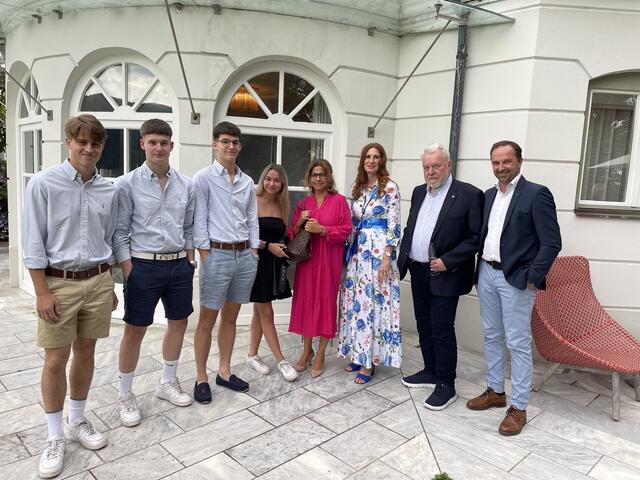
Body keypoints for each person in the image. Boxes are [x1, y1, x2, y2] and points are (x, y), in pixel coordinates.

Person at [22, 115, 118, 478]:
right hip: (58, 283)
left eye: (95, 143)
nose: (88, 149)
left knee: (87, 351)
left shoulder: (109, 190)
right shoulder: (43, 184)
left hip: (98, 280)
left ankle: (77, 419)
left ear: (102, 147)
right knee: (55, 359)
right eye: (82, 142)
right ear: (68, 143)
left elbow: (109, 238)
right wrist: (41, 291)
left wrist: (109, 284)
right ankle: (54, 435)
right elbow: (33, 242)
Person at [466, 140, 561, 435]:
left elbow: (551, 242)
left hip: (516, 279)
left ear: (519, 161)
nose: (501, 167)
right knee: (492, 334)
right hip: (487, 273)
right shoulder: (488, 195)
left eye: (506, 161)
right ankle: (495, 391)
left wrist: (532, 276)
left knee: (517, 342)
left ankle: (519, 407)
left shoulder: (536, 194)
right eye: (496, 162)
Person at [113, 118, 195, 427]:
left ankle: (167, 382)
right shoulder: (126, 184)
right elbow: (119, 231)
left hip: (179, 265)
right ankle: (125, 393)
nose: (158, 147)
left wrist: (190, 259)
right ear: (143, 144)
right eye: (153, 142)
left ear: (172, 145)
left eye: (163, 142)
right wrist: (129, 269)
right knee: (135, 329)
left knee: (179, 323)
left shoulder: (186, 184)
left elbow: (189, 226)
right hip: (143, 266)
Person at [397, 144, 483, 410]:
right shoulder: (418, 192)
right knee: (424, 325)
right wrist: (401, 261)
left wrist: (448, 261)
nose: (430, 171)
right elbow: (411, 229)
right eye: (426, 167)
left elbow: (475, 238)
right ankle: (430, 371)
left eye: (436, 166)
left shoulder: (469, 194)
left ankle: (446, 384)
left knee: (442, 329)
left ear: (448, 165)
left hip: (447, 273)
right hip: (418, 270)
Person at [192, 121, 260, 403]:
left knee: (230, 318)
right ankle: (201, 377)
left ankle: (224, 371)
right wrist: (205, 254)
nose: (230, 146)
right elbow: (198, 219)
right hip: (216, 255)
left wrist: (254, 250)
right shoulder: (203, 178)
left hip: (244, 256)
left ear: (239, 147)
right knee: (207, 319)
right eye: (224, 141)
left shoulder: (246, 181)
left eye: (234, 142)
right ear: (214, 144)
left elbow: (252, 218)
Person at [338, 143, 402, 384]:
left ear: (381, 160)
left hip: (378, 255)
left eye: (376, 157)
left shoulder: (390, 188)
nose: (371, 160)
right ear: (363, 160)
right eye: (368, 156)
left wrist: (387, 257)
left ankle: (369, 362)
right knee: (356, 305)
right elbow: (352, 222)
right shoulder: (358, 188)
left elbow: (394, 225)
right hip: (358, 254)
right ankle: (358, 352)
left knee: (372, 306)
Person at [288, 159, 351, 377]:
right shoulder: (304, 203)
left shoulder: (339, 201)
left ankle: (321, 353)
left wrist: (323, 229)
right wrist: (300, 222)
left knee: (325, 304)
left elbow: (346, 230)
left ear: (329, 177)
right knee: (306, 303)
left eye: (322, 174)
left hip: (329, 260)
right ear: (309, 178)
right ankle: (307, 351)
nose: (318, 178)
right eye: (314, 175)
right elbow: (292, 234)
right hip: (308, 262)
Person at [245, 164, 298, 382]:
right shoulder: (252, 200)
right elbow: (244, 234)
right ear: (262, 179)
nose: (272, 183)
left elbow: (283, 235)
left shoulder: (282, 204)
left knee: (260, 312)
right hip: (255, 262)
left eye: (277, 180)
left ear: (282, 183)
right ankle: (281, 360)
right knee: (266, 313)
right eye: (268, 178)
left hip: (274, 265)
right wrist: (268, 246)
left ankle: (252, 355)